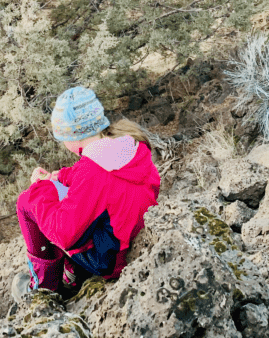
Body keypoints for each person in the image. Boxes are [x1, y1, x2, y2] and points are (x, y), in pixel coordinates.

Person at [11, 86, 160, 303]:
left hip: (109, 261)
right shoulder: (130, 145)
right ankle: (71, 273)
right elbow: (92, 181)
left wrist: (39, 192)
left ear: (73, 136)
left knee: (27, 203)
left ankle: (43, 290)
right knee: (66, 201)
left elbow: (64, 233)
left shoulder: (93, 173)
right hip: (128, 236)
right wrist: (59, 177)